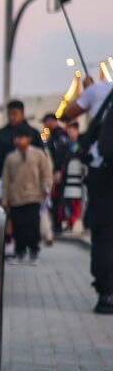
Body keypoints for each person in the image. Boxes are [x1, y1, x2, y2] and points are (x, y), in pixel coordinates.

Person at [63, 77, 113, 312]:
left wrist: (88, 92)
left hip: (102, 171)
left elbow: (66, 114)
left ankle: (106, 294)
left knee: (103, 233)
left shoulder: (98, 90)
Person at [0, 128, 53, 265]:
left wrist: (46, 187)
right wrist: (4, 198)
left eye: (21, 137)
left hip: (34, 197)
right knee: (18, 227)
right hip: (16, 199)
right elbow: (6, 180)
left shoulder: (39, 154)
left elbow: (46, 173)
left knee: (33, 227)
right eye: (16, 137)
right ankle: (20, 253)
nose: (18, 140)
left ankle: (34, 253)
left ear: (28, 139)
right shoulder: (10, 157)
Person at [0, 100, 43, 178]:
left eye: (15, 114)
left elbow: (41, 157)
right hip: (5, 177)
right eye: (9, 114)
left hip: (30, 179)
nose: (11, 117)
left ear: (22, 113)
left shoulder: (33, 133)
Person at [42, 113, 71, 231]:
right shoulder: (52, 135)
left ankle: (58, 224)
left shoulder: (60, 134)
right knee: (54, 198)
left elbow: (62, 154)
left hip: (59, 172)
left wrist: (59, 170)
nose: (45, 125)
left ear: (52, 121)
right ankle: (55, 223)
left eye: (46, 122)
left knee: (58, 198)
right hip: (53, 171)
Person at [61, 121, 86, 233]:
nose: (70, 133)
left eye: (72, 130)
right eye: (68, 131)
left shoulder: (80, 144)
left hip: (78, 179)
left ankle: (73, 221)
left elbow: (82, 156)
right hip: (67, 178)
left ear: (76, 131)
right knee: (68, 202)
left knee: (76, 203)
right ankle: (70, 221)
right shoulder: (66, 144)